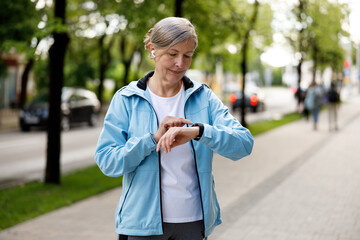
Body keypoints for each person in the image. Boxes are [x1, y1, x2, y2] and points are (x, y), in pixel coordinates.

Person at [94, 17, 254, 240]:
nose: (181, 63)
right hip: (141, 225)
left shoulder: (204, 97)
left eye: (187, 56)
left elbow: (244, 144)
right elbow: (107, 162)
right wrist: (152, 139)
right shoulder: (126, 99)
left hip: (193, 223)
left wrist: (199, 132)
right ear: (152, 50)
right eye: (172, 54)